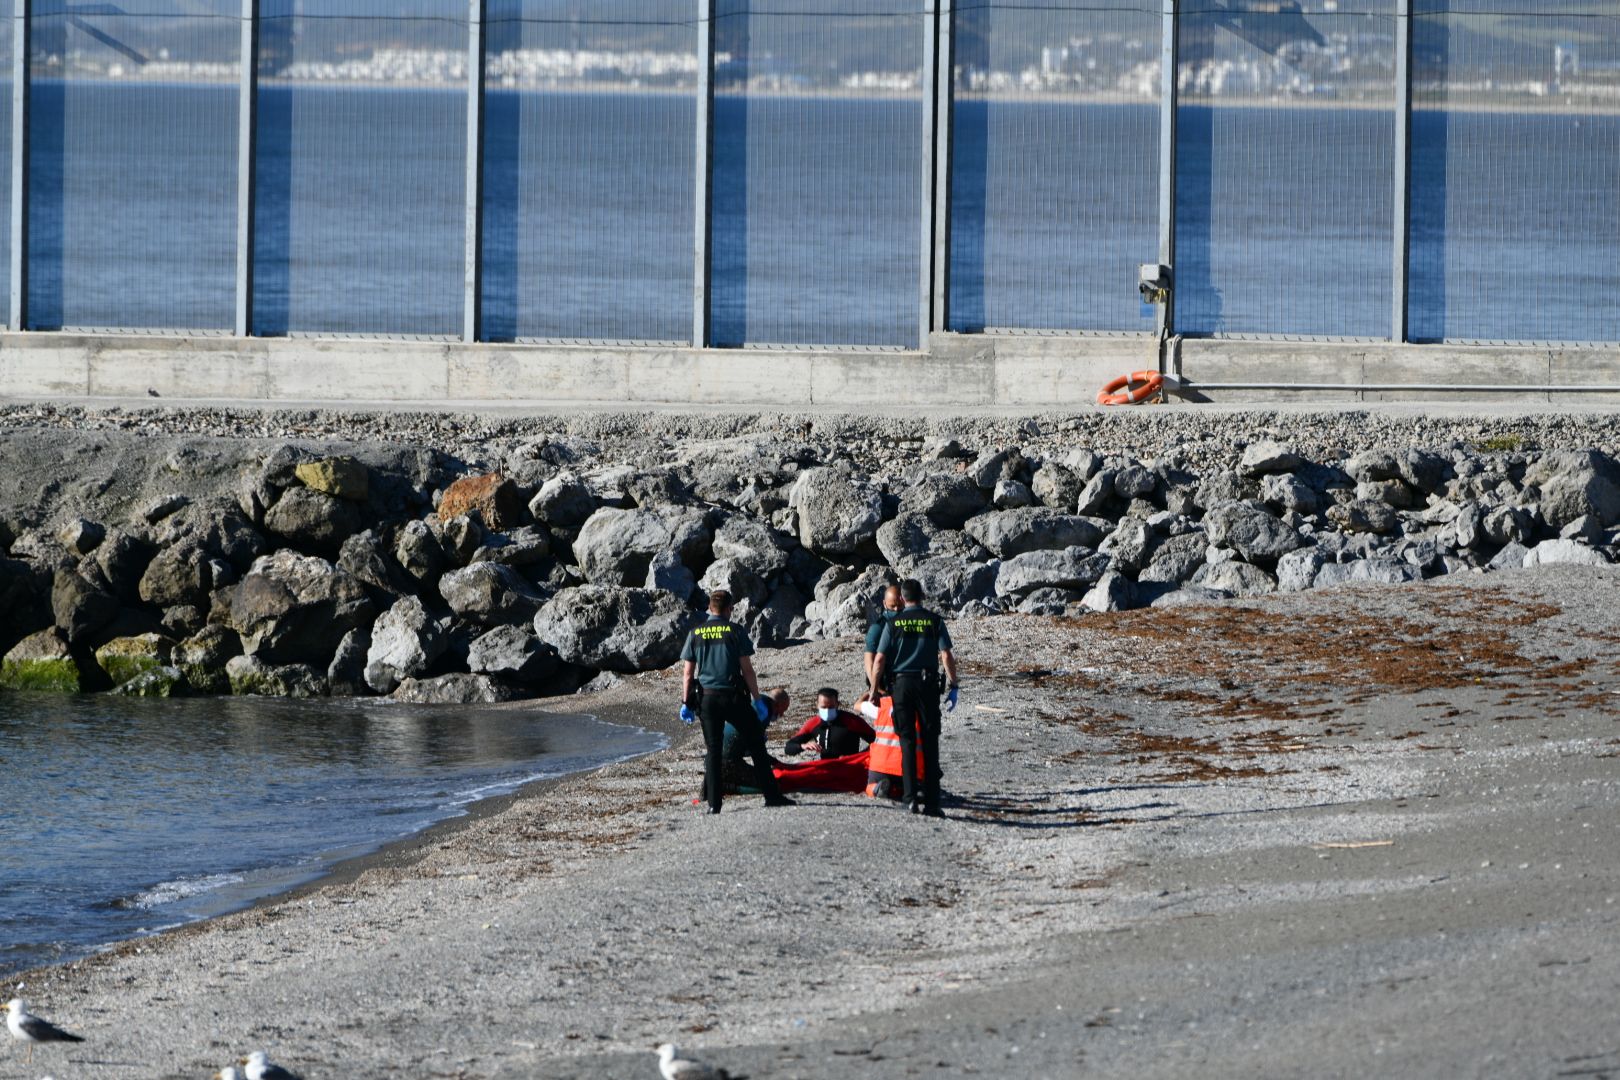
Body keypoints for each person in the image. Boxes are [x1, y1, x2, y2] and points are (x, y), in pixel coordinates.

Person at [679, 589, 795, 813]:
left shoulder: (696, 633)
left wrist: (686, 702)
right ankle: (772, 796)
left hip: (708, 699)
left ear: (710, 608)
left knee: (713, 750)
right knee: (756, 745)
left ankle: (714, 804)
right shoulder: (734, 631)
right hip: (733, 697)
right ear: (728, 609)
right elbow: (747, 670)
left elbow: (687, 673)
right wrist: (758, 698)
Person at [869, 577, 959, 817]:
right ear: (923, 597)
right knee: (930, 743)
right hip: (927, 684)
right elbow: (946, 655)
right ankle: (931, 801)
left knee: (907, 741)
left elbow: (879, 659)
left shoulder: (893, 623)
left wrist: (873, 689)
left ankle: (909, 799)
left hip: (902, 686)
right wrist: (954, 684)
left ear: (901, 598)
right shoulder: (934, 621)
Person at [862, 584, 903, 690]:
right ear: (885, 604)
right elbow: (869, 660)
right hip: (886, 684)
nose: (896, 609)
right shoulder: (878, 628)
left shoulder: (911, 623)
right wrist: (877, 690)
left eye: (900, 606)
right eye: (892, 606)